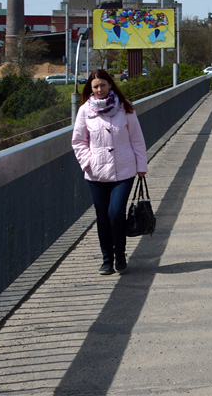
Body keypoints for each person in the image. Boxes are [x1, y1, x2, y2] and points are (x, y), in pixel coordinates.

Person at [71, 69, 148, 275]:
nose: (99, 90)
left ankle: (120, 254)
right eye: (95, 86)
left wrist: (141, 166)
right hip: (96, 173)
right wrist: (88, 162)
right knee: (102, 216)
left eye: (103, 85)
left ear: (110, 85)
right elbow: (79, 141)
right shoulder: (85, 111)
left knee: (115, 213)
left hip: (123, 170)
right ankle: (107, 259)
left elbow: (137, 139)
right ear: (91, 88)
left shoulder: (126, 108)